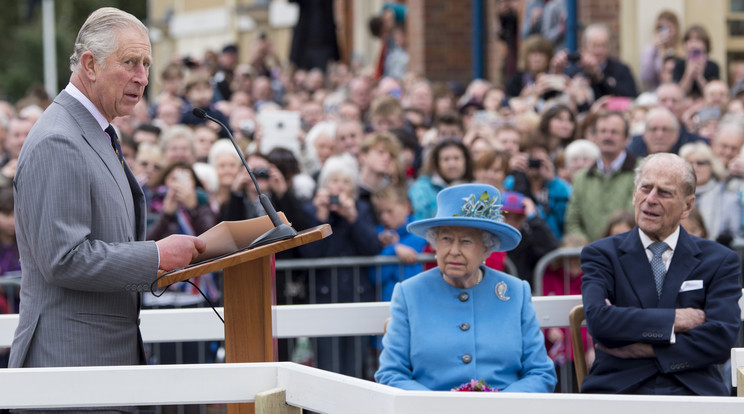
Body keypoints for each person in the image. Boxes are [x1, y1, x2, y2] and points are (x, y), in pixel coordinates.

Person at [8, 6, 204, 379]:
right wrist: (157, 256)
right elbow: (64, 258)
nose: (143, 77)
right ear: (90, 64)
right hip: (69, 368)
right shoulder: (59, 140)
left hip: (98, 366)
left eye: (147, 64)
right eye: (130, 62)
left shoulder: (94, 131)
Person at [580, 153, 742, 395]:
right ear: (635, 193)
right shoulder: (602, 254)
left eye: (665, 192)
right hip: (618, 390)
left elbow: (720, 339)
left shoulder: (719, 260)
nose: (651, 199)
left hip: (693, 389)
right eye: (646, 188)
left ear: (687, 206)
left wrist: (645, 348)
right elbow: (600, 322)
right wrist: (674, 321)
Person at [375, 183, 557, 392]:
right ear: (435, 244)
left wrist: (499, 406)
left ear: (487, 248)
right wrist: (438, 407)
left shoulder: (515, 292)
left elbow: (540, 373)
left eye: (466, 241)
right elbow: (391, 373)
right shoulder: (410, 293)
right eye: (446, 239)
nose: (454, 250)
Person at [565, 111, 638, 242]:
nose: (607, 136)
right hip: (590, 255)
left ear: (626, 139)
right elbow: (572, 221)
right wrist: (588, 249)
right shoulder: (581, 177)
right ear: (595, 137)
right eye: (603, 131)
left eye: (614, 132)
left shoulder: (641, 171)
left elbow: (636, 216)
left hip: (627, 251)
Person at [673, 25, 720, 99]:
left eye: (698, 40)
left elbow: (714, 94)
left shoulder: (713, 66)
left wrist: (699, 77)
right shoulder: (679, 64)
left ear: (706, 44)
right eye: (690, 40)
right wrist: (689, 73)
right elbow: (678, 93)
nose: (693, 43)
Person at [640, 10, 682, 91]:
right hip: (656, 92)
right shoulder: (650, 50)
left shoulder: (683, 49)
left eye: (668, 27)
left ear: (676, 29)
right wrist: (654, 50)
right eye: (661, 28)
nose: (664, 32)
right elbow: (646, 78)